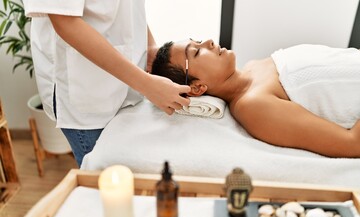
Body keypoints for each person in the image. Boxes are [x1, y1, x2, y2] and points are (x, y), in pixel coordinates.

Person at [23, 0, 190, 166]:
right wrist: (147, 84)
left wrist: (150, 46)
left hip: (129, 82)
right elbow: (64, 21)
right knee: (104, 183)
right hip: (88, 90)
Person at [151, 39, 360, 158]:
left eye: (198, 40)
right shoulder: (252, 106)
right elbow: (352, 143)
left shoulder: (254, 66)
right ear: (197, 88)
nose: (209, 42)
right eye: (197, 52)